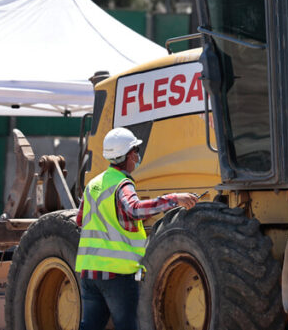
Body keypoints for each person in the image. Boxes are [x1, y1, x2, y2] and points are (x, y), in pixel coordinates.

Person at [75, 127, 198, 330]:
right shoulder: (122, 185)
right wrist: (174, 198)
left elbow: (81, 220)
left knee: (90, 326)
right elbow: (135, 210)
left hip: (89, 272)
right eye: (136, 152)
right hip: (117, 275)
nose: (138, 157)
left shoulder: (93, 184)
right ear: (130, 154)